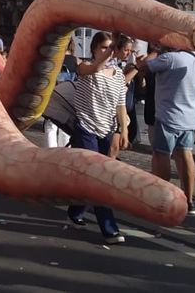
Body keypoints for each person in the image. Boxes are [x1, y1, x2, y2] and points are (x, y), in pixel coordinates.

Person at [66, 31, 129, 244]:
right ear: (94, 49)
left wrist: (123, 130)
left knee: (91, 177)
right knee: (99, 177)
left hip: (107, 130)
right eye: (103, 47)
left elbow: (121, 103)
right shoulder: (84, 67)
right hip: (86, 128)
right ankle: (109, 228)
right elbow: (94, 68)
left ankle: (76, 208)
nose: (108, 51)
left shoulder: (118, 74)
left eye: (110, 47)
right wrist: (107, 55)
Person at [137, 40, 195, 216]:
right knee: (186, 155)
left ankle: (163, 198)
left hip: (167, 116)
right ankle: (189, 199)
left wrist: (152, 52)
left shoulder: (169, 58)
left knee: (162, 156)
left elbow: (144, 67)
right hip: (188, 118)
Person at [43, 44, 79, 149]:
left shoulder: (54, 58)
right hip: (67, 96)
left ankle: (50, 151)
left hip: (53, 93)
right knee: (64, 127)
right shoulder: (75, 60)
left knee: (50, 126)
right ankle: (64, 151)